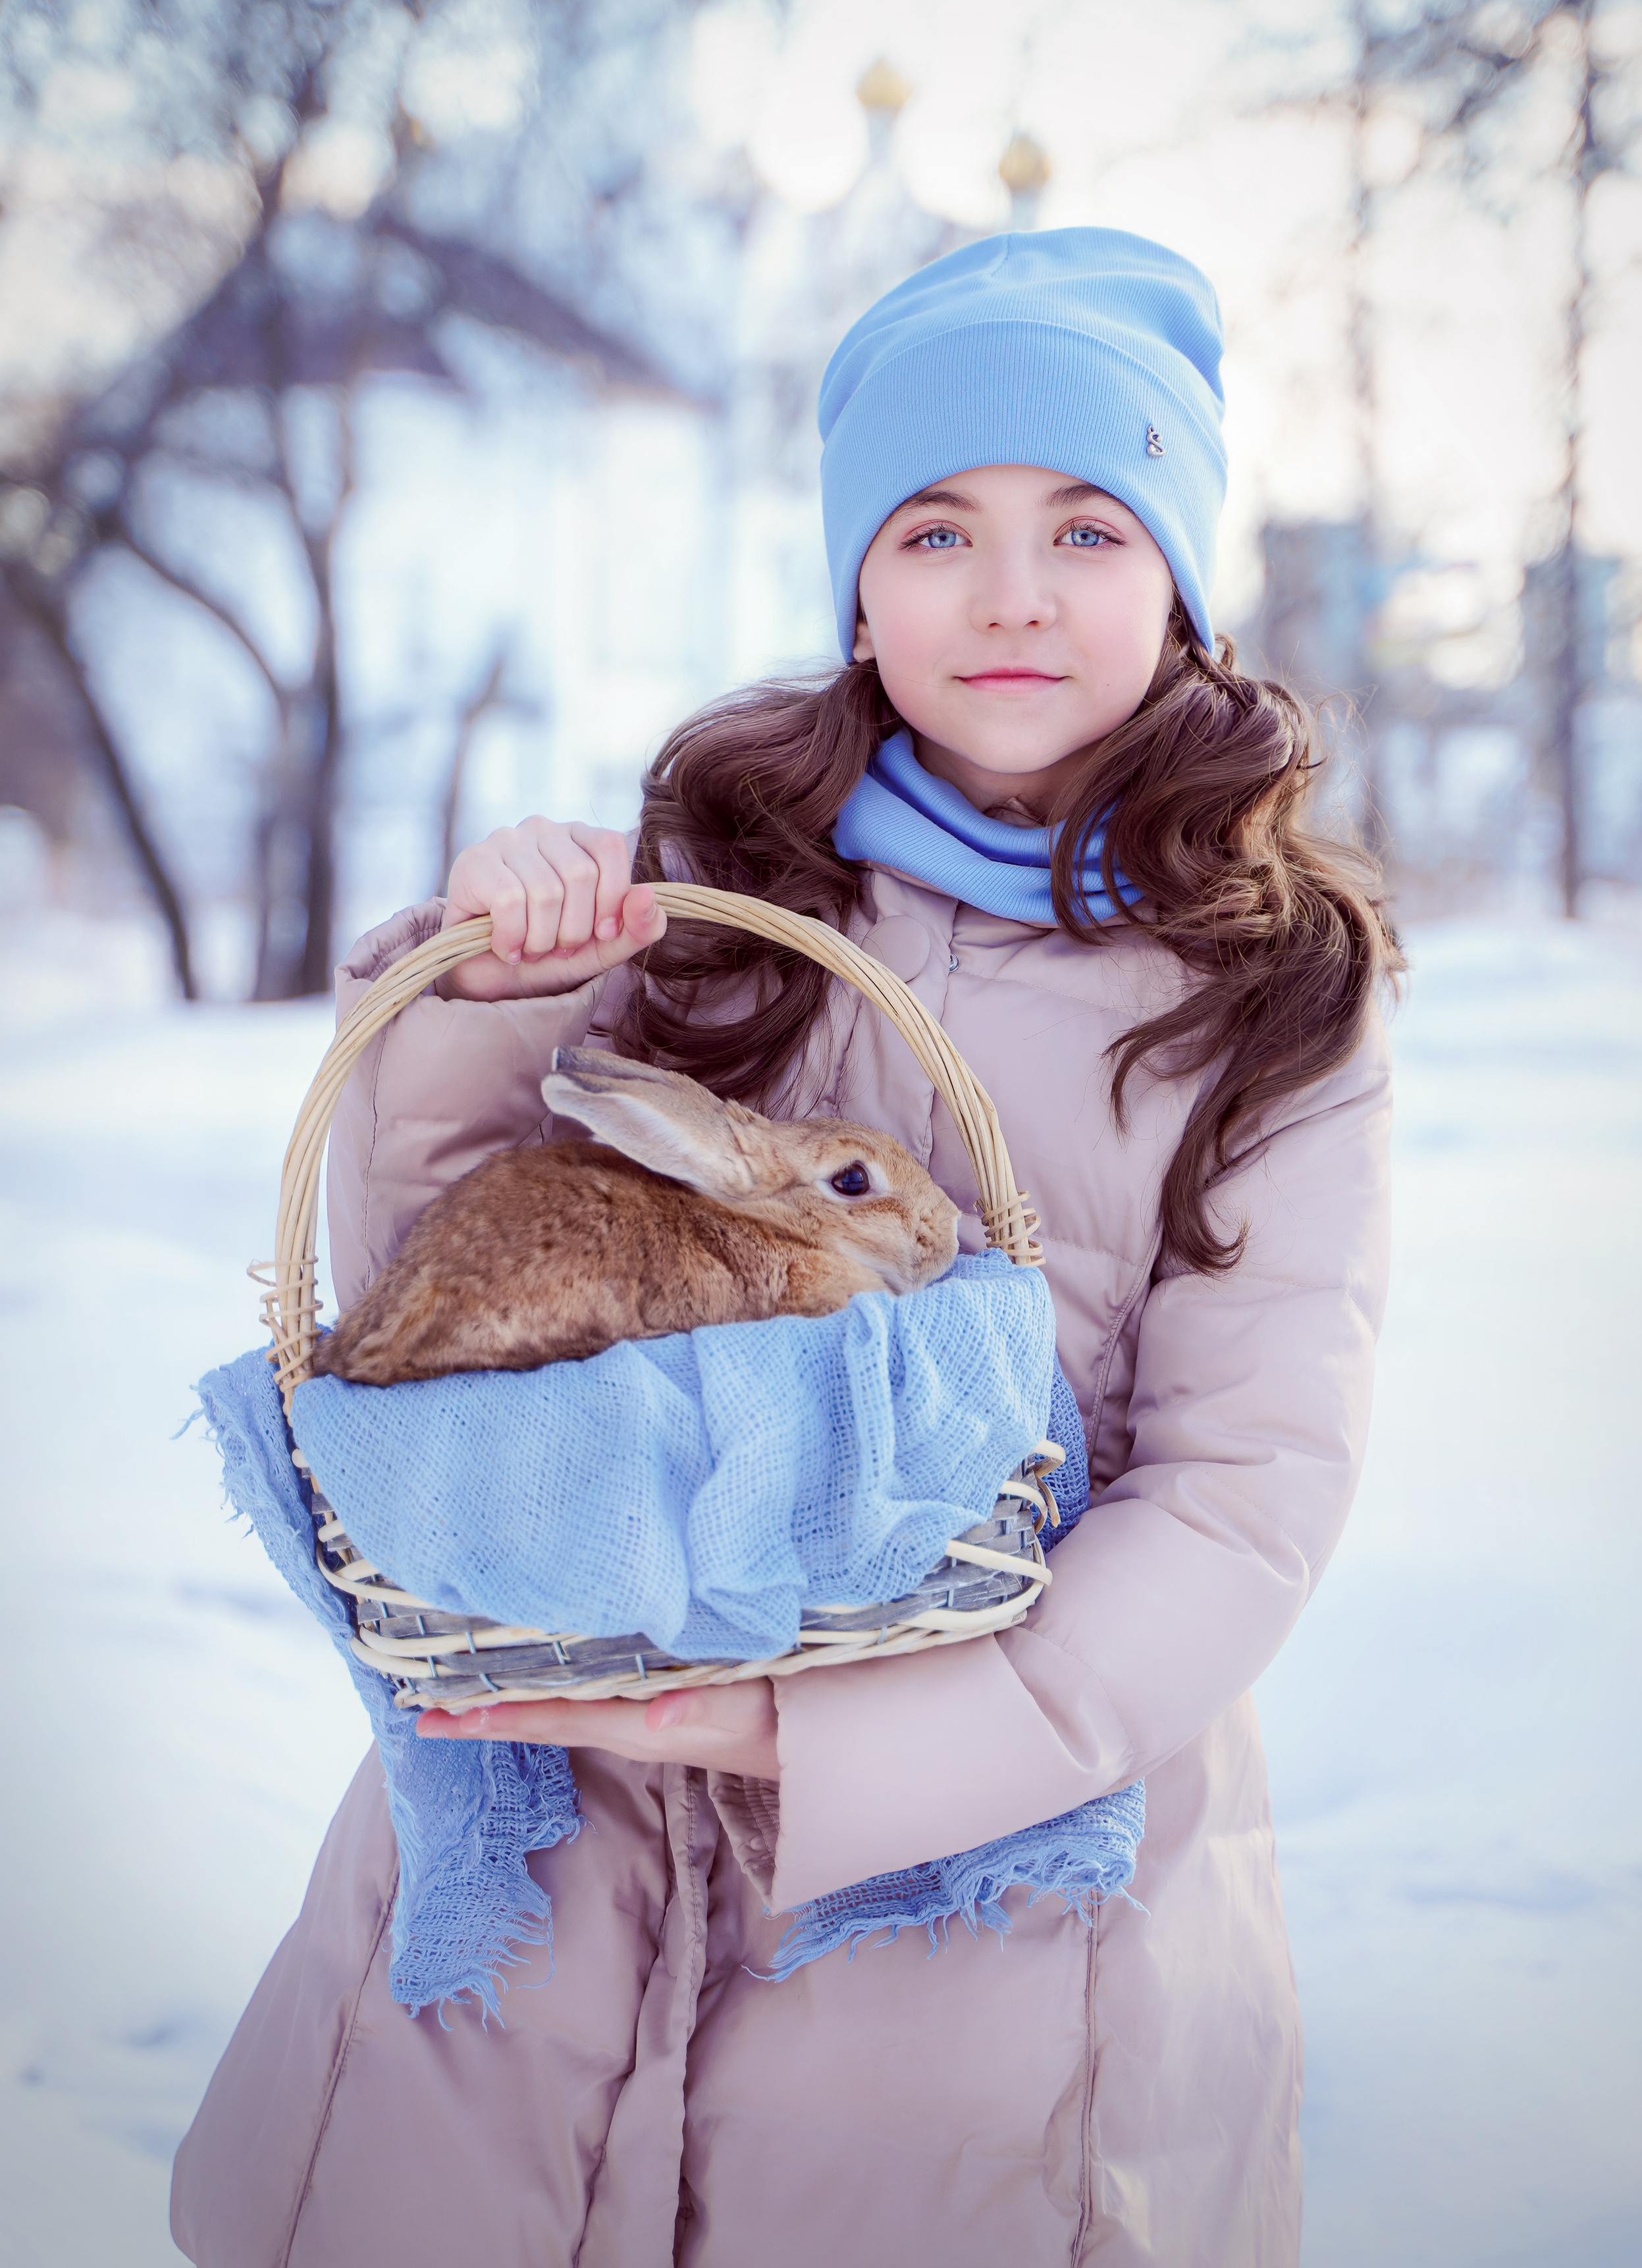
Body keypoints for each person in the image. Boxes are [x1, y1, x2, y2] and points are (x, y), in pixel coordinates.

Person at [172, 228, 1396, 2267]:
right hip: (568, 1819)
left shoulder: (1265, 992)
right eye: (937, 531)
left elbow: (1246, 1488)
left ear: (1181, 573)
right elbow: (445, 1310)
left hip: (994, 1917)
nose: (1012, 593)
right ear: (858, 581)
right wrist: (492, 993)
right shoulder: (718, 887)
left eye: (1089, 527)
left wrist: (830, 1743)